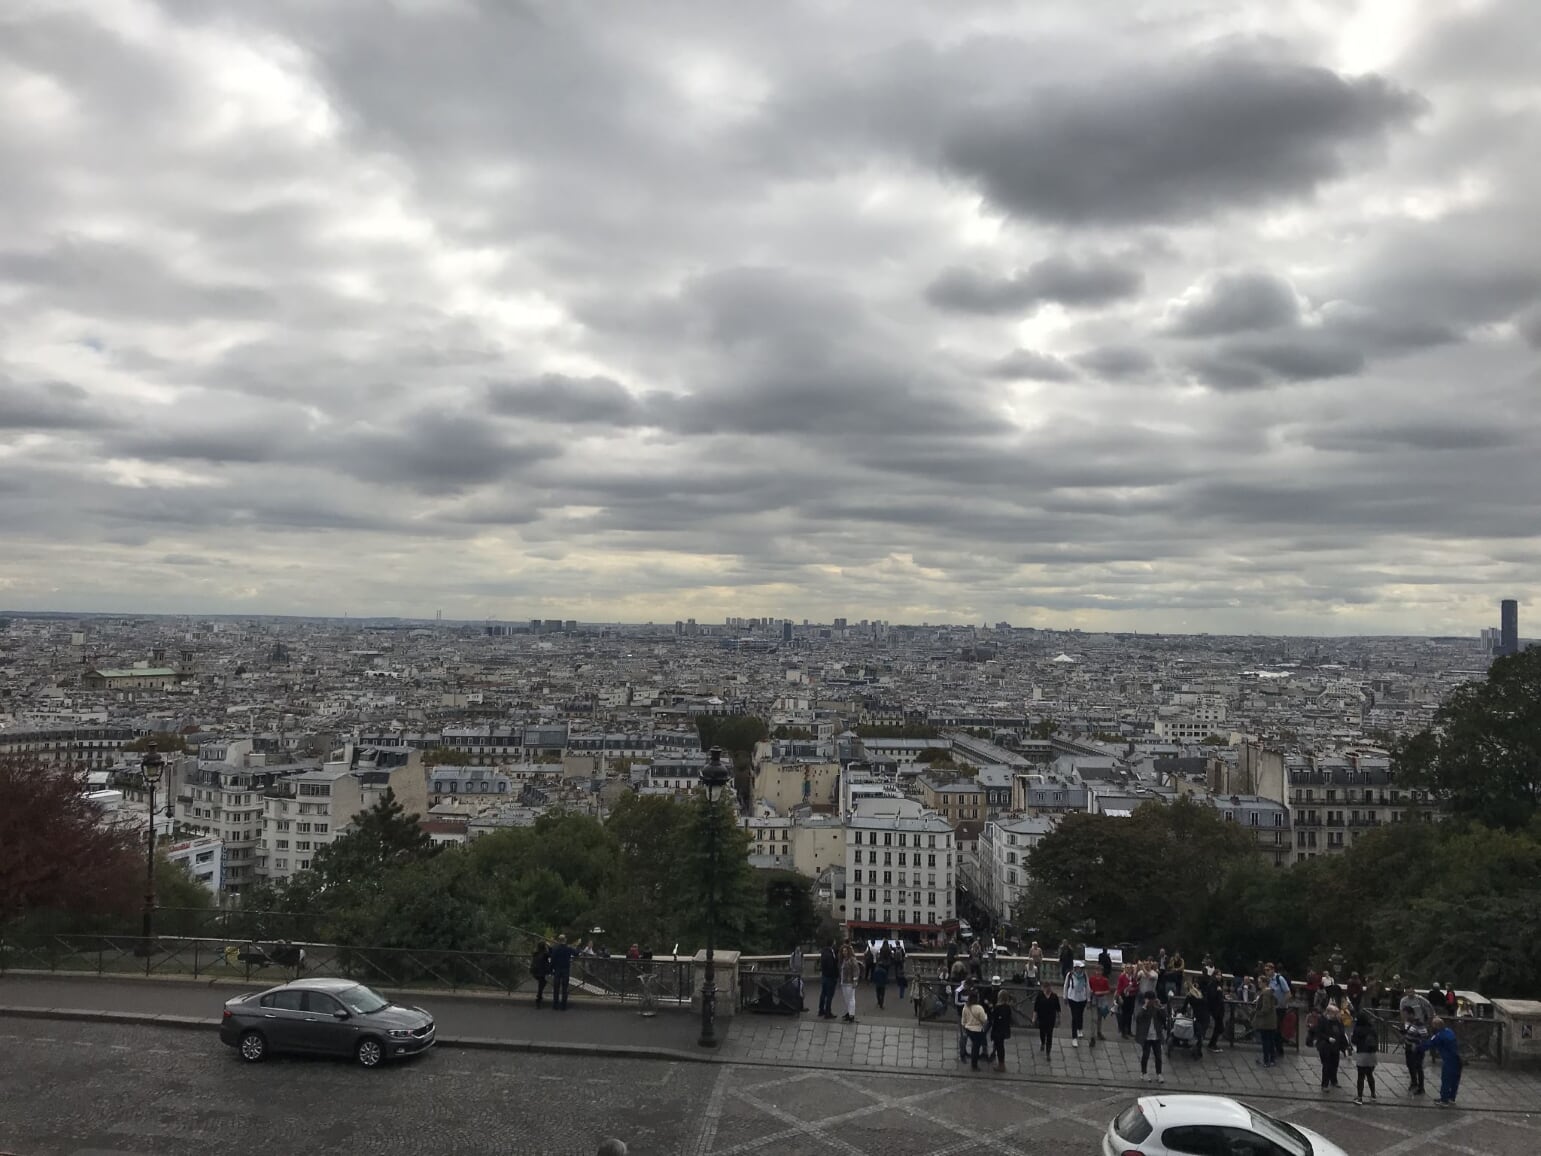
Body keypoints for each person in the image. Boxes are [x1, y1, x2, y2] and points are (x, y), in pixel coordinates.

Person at [1418, 1017, 1463, 1105]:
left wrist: (1417, 1048)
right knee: (1454, 1080)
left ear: (1437, 1027)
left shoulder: (1439, 1036)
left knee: (1446, 1080)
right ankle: (1451, 1098)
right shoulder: (1449, 1031)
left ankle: (1444, 1100)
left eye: (1433, 1026)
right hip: (1458, 1059)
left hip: (1449, 1060)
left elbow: (1428, 1045)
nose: (1432, 1028)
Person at [1315, 1002, 1348, 1092]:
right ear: (1329, 1012)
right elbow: (1319, 1033)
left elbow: (1342, 1033)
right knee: (1326, 1065)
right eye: (1334, 1013)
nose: (1336, 1015)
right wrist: (1328, 1038)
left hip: (1335, 1046)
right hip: (1325, 1046)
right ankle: (1324, 1084)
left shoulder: (1338, 1021)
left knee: (1335, 1064)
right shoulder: (1323, 1020)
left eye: (1337, 1013)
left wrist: (1344, 1045)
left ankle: (1334, 1080)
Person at [1135, 992, 1166, 1084]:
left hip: (1156, 1036)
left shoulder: (1157, 1009)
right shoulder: (1143, 1009)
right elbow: (1138, 1018)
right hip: (1146, 1037)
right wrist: (1145, 1006)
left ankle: (1159, 1073)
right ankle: (1144, 1072)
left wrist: (1160, 1006)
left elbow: (1164, 1017)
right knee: (1146, 1055)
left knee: (1158, 1056)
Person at [1351, 1009, 1379, 1104]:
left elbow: (1354, 1041)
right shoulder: (1372, 1028)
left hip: (1362, 1054)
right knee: (1370, 1075)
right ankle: (1373, 1095)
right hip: (1372, 1054)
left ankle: (1359, 1097)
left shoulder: (1358, 1028)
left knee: (1361, 1076)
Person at [961, 989, 990, 1071]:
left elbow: (963, 1021)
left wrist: (965, 1028)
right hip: (978, 1030)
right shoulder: (979, 1008)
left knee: (974, 1045)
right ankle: (974, 1065)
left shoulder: (965, 1007)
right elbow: (984, 1020)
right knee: (976, 1048)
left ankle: (973, 1062)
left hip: (968, 1029)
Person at [1254, 978, 1280, 1068]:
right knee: (1271, 1041)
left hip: (1265, 1021)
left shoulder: (1265, 993)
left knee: (1265, 1041)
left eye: (1260, 982)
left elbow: (1266, 1008)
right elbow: (1276, 1002)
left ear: (1264, 983)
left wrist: (1258, 1012)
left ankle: (1266, 1060)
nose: (1258, 984)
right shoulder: (1271, 992)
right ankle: (1272, 1059)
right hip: (1272, 1021)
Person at [1064, 959, 1090, 1047]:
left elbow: (1087, 987)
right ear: (1075, 968)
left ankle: (1080, 1028)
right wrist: (1065, 997)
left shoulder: (1085, 976)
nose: (1081, 970)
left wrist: (1088, 999)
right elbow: (1066, 985)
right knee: (1074, 1017)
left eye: (1082, 968)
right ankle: (1074, 1037)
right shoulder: (1070, 975)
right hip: (1072, 998)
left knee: (1080, 1015)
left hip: (1082, 998)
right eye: (1080, 968)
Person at [549, 934, 578, 1011]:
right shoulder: (568, 948)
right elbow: (576, 953)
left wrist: (551, 969)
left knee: (556, 988)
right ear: (565, 940)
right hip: (565, 970)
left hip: (557, 970)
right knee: (564, 989)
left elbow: (552, 960)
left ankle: (555, 1005)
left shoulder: (555, 948)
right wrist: (575, 947)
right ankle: (563, 1006)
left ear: (558, 940)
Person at [1402, 1015, 1430, 1096]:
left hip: (1416, 1050)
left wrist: (1416, 1044)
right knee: (1412, 1066)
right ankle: (1415, 1083)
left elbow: (1424, 1038)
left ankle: (1420, 1087)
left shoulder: (1420, 1027)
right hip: (1411, 1049)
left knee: (1418, 1067)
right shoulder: (1413, 1026)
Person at [1034, 983, 1061, 1061]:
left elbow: (1058, 1008)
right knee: (1042, 1032)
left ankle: (1048, 1052)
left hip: (1051, 1019)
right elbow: (1036, 1008)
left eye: (1048, 987)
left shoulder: (1054, 996)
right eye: (1045, 988)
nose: (1047, 989)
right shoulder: (1040, 996)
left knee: (1049, 1035)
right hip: (1042, 1018)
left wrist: (1059, 1018)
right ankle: (1043, 1042)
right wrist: (1034, 1018)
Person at [1184, 980, 1210, 1059]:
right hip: (1205, 1015)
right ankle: (1198, 1049)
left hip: (1198, 1016)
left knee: (1198, 1033)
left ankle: (1197, 1050)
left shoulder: (1189, 996)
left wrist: (1179, 1012)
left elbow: (1184, 1007)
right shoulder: (1199, 994)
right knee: (1202, 1033)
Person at [989, 990, 1014, 1071]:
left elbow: (993, 1019)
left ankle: (1001, 1065)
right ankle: (1000, 1063)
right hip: (1004, 1030)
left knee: (999, 1047)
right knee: (1000, 1046)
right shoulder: (1008, 1007)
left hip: (998, 1030)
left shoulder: (998, 1008)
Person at [1088, 964, 1112, 1045]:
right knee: (1093, 1018)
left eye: (1100, 971)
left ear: (1102, 972)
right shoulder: (1091, 979)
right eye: (1097, 971)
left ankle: (1098, 1032)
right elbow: (1089, 989)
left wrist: (1100, 992)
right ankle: (1092, 1036)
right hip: (1094, 999)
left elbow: (1108, 991)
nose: (1098, 972)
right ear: (1095, 971)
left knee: (1099, 1018)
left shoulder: (1105, 980)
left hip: (1101, 999)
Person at [1205, 972, 1228, 1051]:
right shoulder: (1212, 984)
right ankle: (1212, 1044)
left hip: (1219, 1008)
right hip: (1215, 1009)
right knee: (1219, 1027)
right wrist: (1218, 991)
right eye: (1217, 975)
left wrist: (1224, 996)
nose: (1219, 976)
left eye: (1220, 975)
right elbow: (1211, 996)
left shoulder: (1219, 984)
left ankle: (1212, 1043)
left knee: (1219, 1027)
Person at [838, 943, 860, 1023]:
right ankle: (848, 1012)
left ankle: (852, 1015)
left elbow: (856, 970)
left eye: (845, 951)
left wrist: (855, 980)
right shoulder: (843, 960)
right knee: (846, 999)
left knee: (851, 998)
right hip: (843, 982)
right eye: (843, 951)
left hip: (850, 982)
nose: (844, 952)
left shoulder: (852, 959)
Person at [817, 941, 839, 1019]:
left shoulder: (824, 952)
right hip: (830, 978)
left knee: (823, 994)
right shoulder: (829, 954)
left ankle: (821, 1010)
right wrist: (835, 976)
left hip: (824, 976)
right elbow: (831, 967)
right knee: (829, 995)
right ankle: (828, 1012)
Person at [1116, 963, 1137, 1038]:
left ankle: (1129, 1030)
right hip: (1124, 996)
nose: (1129, 969)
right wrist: (1119, 996)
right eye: (1127, 968)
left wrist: (1132, 989)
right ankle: (1123, 1031)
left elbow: (1136, 987)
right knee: (1124, 1014)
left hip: (1131, 997)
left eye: (1130, 968)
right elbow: (1119, 988)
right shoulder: (1122, 977)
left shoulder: (1133, 978)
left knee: (1130, 1013)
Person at [531, 941, 552, 1009]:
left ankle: (539, 997)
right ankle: (538, 999)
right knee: (542, 983)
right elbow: (551, 954)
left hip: (534, 971)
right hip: (541, 971)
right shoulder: (545, 954)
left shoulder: (535, 953)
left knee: (542, 983)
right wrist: (549, 946)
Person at [873, 944, 891, 1009]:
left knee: (877, 993)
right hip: (882, 985)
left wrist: (874, 982)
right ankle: (881, 1004)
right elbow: (886, 978)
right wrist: (886, 982)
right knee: (882, 995)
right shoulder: (884, 971)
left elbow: (874, 977)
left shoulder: (876, 971)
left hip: (877, 984)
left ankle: (878, 1001)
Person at [789, 944, 806, 1011]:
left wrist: (802, 968)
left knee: (800, 983)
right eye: (797, 948)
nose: (798, 949)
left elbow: (803, 962)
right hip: (794, 971)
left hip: (799, 971)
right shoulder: (793, 954)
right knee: (795, 983)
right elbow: (791, 962)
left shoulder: (801, 954)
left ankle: (800, 994)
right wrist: (792, 969)